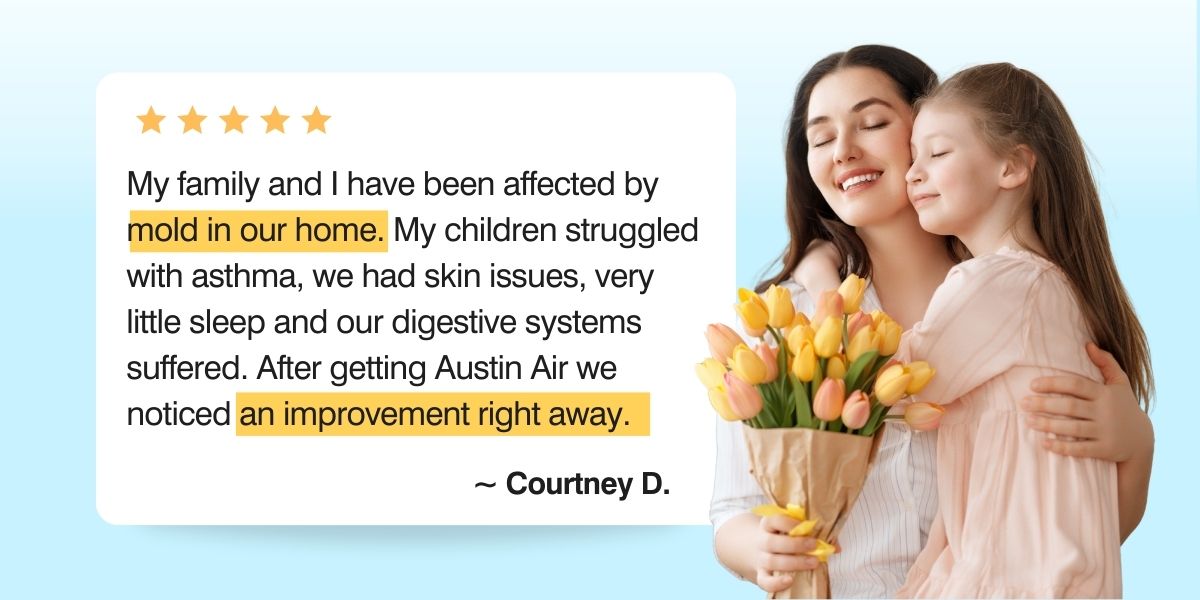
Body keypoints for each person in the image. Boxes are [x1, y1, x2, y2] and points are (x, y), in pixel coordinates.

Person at [710, 46, 1154, 598]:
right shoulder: (780, 320)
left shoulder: (1019, 298)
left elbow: (1077, 529)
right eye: (820, 139)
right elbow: (732, 511)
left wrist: (1136, 446)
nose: (844, 151)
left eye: (872, 123)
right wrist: (759, 548)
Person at [887, 62, 1151, 597]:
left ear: (1012, 167)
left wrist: (822, 274)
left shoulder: (999, 282)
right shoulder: (1058, 293)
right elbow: (1102, 524)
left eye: (936, 154)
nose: (912, 173)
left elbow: (892, 387)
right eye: (912, 158)